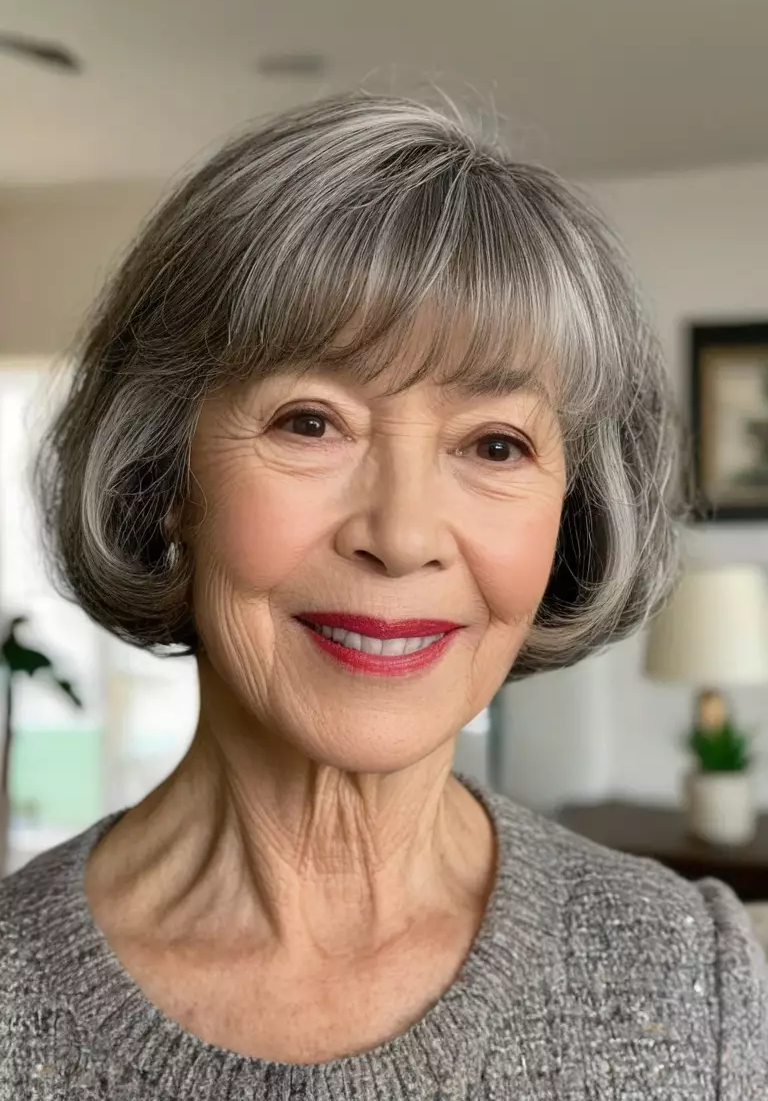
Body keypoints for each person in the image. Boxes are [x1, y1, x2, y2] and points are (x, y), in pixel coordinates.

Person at [0, 91, 765, 1100]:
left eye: (495, 444)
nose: (401, 538)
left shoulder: (693, 976)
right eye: (312, 422)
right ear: (165, 474)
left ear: (568, 515)